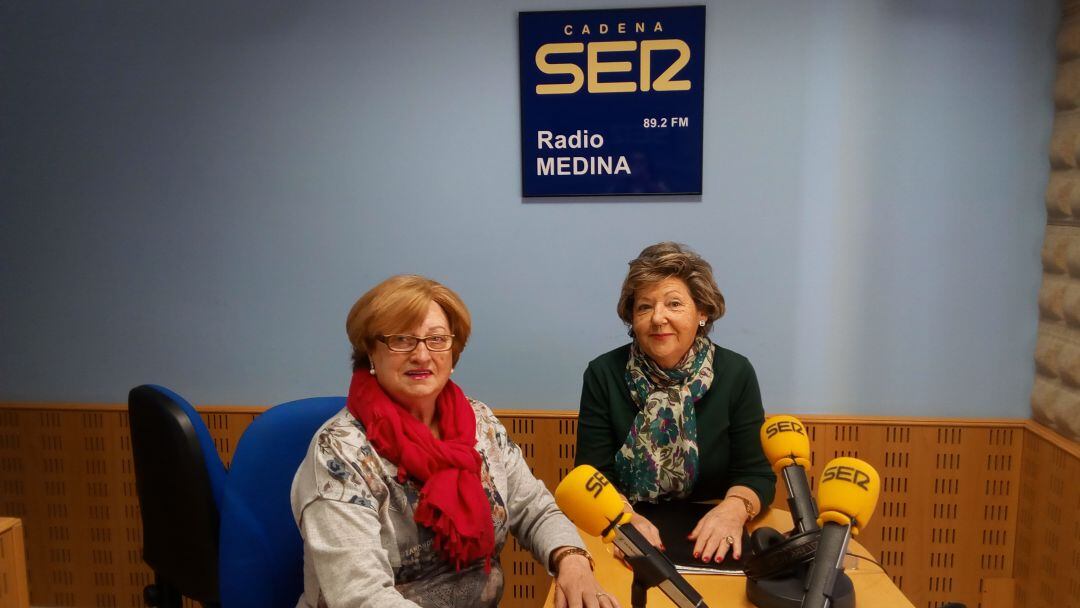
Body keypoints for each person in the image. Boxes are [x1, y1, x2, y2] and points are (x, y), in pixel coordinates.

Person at [292, 275, 618, 608]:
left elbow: (534, 507)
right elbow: (361, 597)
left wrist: (572, 559)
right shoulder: (338, 453)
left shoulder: (479, 422)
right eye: (402, 339)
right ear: (370, 354)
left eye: (436, 339)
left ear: (453, 350)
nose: (421, 354)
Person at [575, 242, 776, 565]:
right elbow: (593, 474)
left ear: (702, 312)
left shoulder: (736, 372)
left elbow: (756, 473)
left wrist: (734, 510)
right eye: (644, 307)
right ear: (632, 318)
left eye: (674, 304)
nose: (658, 318)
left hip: (713, 535)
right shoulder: (603, 373)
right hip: (623, 530)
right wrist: (622, 520)